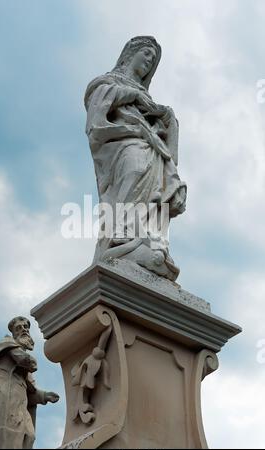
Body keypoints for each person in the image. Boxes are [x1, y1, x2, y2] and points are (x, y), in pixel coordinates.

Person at [85, 36, 187, 281]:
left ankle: (151, 242)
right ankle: (122, 237)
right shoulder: (108, 82)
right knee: (134, 170)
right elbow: (97, 113)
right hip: (124, 143)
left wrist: (166, 117)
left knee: (157, 194)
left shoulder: (148, 99)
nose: (150, 60)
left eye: (154, 59)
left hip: (152, 148)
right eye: (146, 53)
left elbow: (166, 134)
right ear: (130, 54)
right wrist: (132, 95)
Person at [0, 316, 59, 449]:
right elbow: (27, 361)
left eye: (26, 327)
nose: (24, 330)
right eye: (19, 328)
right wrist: (29, 358)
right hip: (0, 389)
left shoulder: (21, 356)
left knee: (29, 435)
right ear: (13, 333)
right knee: (2, 433)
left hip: (18, 398)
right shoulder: (9, 344)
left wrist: (44, 396)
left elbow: (30, 390)